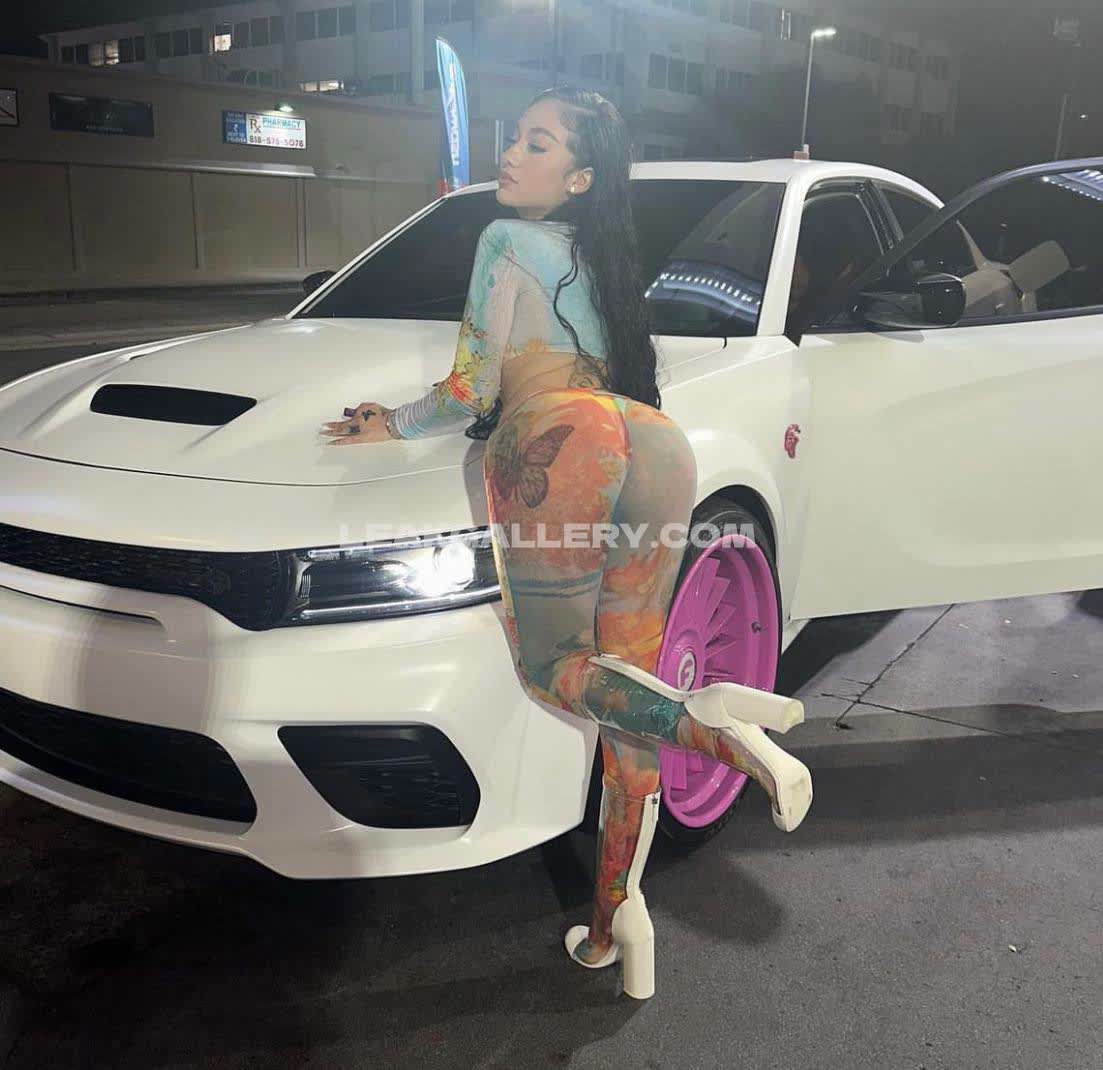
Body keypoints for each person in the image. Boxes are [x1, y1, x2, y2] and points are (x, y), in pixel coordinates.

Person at [319, 87, 812, 999]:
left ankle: (712, 724)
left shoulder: (504, 239)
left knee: (557, 669)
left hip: (561, 437)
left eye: (535, 143)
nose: (510, 154)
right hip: (650, 439)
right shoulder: (607, 261)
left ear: (578, 176)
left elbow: (470, 390)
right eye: (514, 138)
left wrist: (390, 421)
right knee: (624, 696)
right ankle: (617, 920)